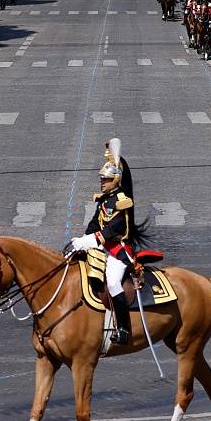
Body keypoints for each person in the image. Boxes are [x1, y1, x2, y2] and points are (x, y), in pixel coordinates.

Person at [65, 139, 151, 345]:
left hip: (118, 249)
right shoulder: (105, 199)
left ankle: (123, 328)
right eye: (101, 179)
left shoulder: (122, 200)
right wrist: (82, 240)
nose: (101, 182)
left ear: (115, 179)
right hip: (103, 246)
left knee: (112, 282)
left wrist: (91, 240)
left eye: (105, 179)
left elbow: (115, 229)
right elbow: (96, 223)